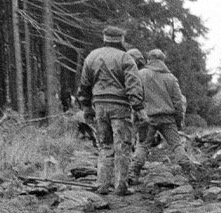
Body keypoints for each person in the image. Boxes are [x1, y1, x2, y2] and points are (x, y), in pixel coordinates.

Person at [77, 26, 144, 196]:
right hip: (120, 106)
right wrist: (138, 108)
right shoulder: (125, 58)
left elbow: (84, 85)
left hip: (99, 105)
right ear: (121, 40)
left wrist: (86, 107)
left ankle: (102, 184)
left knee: (104, 145)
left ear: (105, 38)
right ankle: (121, 185)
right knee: (122, 145)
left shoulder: (92, 56)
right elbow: (133, 85)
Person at [129, 48, 196, 180]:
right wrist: (179, 120)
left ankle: (134, 173)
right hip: (168, 118)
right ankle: (187, 172)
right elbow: (178, 101)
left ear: (149, 60)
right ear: (163, 60)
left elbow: (135, 96)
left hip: (147, 117)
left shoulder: (141, 74)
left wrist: (136, 116)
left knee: (142, 145)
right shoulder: (171, 78)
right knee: (176, 145)